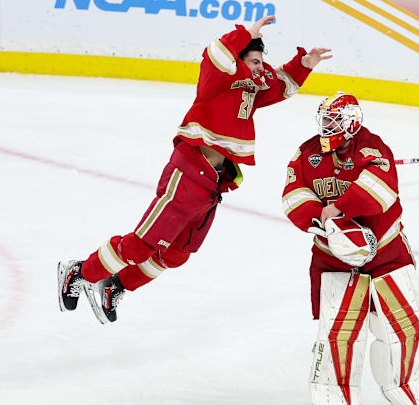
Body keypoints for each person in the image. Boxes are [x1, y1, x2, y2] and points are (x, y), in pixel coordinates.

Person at [57, 15, 332, 324]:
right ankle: (80, 272)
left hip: (212, 184)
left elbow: (279, 85)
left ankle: (115, 286)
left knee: (177, 253)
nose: (259, 67)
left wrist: (305, 63)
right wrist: (244, 34)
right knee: (142, 244)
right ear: (239, 58)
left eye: (260, 62)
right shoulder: (217, 80)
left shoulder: (250, 91)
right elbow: (215, 54)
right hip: (188, 171)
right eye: (254, 60)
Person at [281, 92, 419, 405]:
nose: (326, 126)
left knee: (405, 327)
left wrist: (341, 207)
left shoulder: (373, 147)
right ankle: (334, 397)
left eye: (332, 120)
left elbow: (381, 190)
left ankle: (408, 388)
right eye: (324, 120)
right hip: (335, 259)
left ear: (350, 122)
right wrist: (320, 220)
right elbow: (292, 195)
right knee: (339, 339)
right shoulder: (307, 153)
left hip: (385, 253)